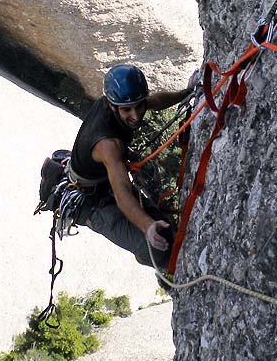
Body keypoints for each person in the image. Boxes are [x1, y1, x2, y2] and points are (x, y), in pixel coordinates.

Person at [69, 64, 197, 271]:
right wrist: (147, 226)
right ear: (111, 106)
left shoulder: (122, 101)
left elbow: (155, 101)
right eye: (127, 110)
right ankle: (177, 276)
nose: (136, 115)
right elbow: (122, 194)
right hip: (92, 203)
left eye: (138, 106)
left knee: (165, 225)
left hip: (103, 182)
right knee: (156, 248)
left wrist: (187, 92)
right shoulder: (108, 145)